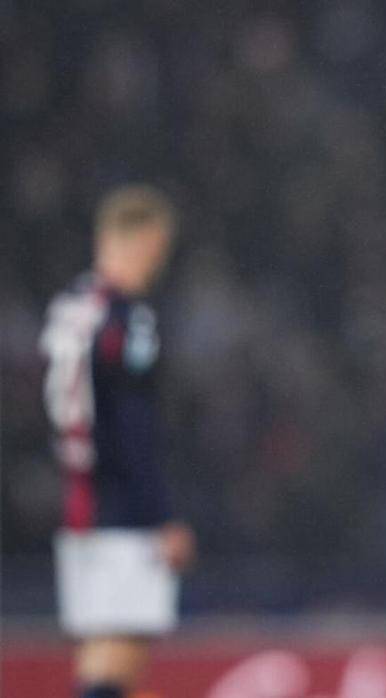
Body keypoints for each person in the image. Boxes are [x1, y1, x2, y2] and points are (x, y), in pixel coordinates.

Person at [40, 185, 195, 698]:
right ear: (144, 239)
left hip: (79, 504)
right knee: (114, 670)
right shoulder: (127, 320)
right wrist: (161, 515)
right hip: (124, 513)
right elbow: (134, 426)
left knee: (99, 663)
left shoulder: (69, 310)